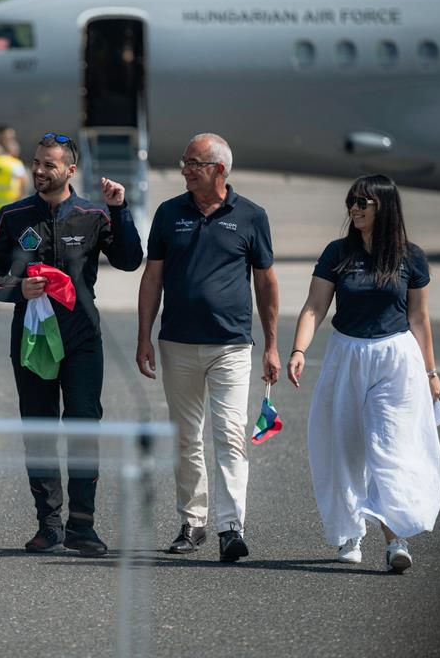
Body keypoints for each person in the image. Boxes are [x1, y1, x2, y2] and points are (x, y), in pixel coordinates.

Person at [0, 131, 143, 557]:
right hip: (33, 340)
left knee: (84, 429)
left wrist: (119, 210)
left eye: (49, 165)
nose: (38, 170)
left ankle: (82, 527)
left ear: (70, 170)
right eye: (36, 162)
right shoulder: (12, 215)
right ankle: (48, 524)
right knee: (38, 430)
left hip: (82, 339)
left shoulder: (92, 214)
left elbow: (129, 260)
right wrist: (19, 291)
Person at [286, 174, 440, 573]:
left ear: (384, 207)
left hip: (397, 358)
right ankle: (349, 531)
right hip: (346, 353)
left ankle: (396, 540)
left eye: (363, 202)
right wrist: (299, 349)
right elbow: (314, 306)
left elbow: (419, 319)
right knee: (344, 447)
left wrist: (431, 372)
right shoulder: (337, 253)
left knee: (391, 448)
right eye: (351, 202)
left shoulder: (411, 257)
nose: (354, 209)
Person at [136, 133, 281, 563]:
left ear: (219, 169)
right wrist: (144, 335)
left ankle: (230, 527)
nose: (184, 169)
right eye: (184, 162)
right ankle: (193, 522)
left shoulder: (252, 216)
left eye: (193, 163)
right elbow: (152, 277)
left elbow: (266, 283)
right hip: (176, 343)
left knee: (230, 435)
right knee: (186, 437)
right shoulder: (168, 213)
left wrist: (273, 346)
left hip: (231, 346)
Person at [0, 124, 29, 221]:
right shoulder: (13, 163)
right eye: (9, 137)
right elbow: (25, 181)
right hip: (10, 203)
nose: (11, 140)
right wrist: (20, 197)